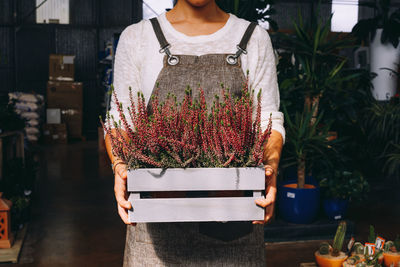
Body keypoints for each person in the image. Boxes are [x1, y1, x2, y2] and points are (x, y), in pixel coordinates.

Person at [105, 0, 284, 266]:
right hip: (156, 236)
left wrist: (270, 166)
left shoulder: (253, 38)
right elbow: (120, 122)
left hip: (233, 230)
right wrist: (119, 165)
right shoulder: (138, 38)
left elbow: (268, 120)